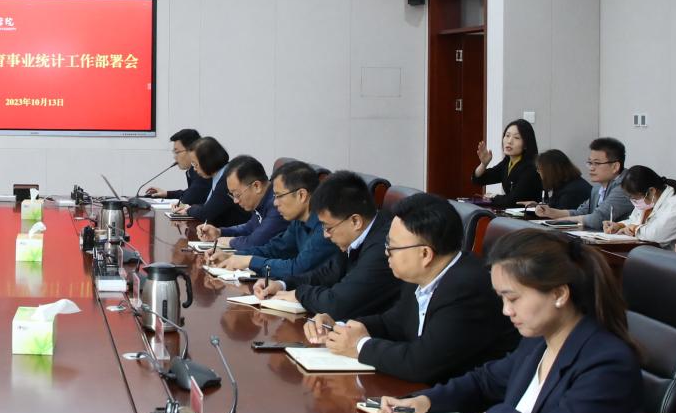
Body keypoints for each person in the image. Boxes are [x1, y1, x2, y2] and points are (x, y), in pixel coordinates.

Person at [379, 229, 646, 413]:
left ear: (559, 294)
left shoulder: (606, 363)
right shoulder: (538, 341)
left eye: (513, 298)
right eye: (502, 299)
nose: (506, 311)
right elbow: (484, 381)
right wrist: (424, 401)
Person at [304, 193, 516, 383]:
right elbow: (393, 323)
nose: (386, 253)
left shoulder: (467, 288)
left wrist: (359, 345)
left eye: (392, 246)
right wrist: (340, 328)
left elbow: (421, 364)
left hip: (467, 404)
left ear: (425, 254)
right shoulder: (422, 275)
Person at [261, 171, 398, 318]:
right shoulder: (357, 237)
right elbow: (328, 273)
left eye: (328, 227)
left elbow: (338, 303)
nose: (326, 235)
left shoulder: (384, 247)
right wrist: (283, 284)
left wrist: (299, 294)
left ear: (355, 221)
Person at [214, 161, 341, 283]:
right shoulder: (298, 221)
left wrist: (250, 261)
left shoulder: (325, 226)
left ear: (301, 195)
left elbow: (297, 269)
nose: (275, 203)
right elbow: (275, 249)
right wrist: (235, 256)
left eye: (279, 196)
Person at [537, 136, 633, 230]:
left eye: (597, 163)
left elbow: (597, 219)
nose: (591, 168)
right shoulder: (597, 187)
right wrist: (550, 212)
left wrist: (560, 221)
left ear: (615, 167)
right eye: (590, 163)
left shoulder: (625, 186)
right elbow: (581, 212)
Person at [195, 155, 285, 253]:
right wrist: (219, 232)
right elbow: (250, 227)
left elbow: (254, 242)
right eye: (232, 195)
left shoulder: (278, 204)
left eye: (237, 194)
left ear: (256, 186)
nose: (235, 201)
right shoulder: (262, 199)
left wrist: (229, 241)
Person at [606, 166, 676, 245]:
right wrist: (620, 225)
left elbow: (657, 234)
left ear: (651, 191)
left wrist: (634, 229)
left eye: (635, 198)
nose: (634, 202)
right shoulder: (649, 200)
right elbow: (635, 221)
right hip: (653, 250)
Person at [176, 136, 250, 228]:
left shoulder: (227, 179)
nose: (194, 169)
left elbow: (206, 213)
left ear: (207, 161)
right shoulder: (220, 174)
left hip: (236, 232)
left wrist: (189, 209)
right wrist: (188, 207)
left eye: (195, 164)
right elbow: (211, 205)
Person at [473, 119, 541, 203]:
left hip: (528, 211)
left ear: (526, 144)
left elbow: (513, 200)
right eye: (507, 135)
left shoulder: (531, 167)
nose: (509, 141)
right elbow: (478, 180)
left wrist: (493, 197)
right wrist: (483, 164)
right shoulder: (507, 162)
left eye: (516, 138)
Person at [143, 128, 210, 207]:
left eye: (177, 152)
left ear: (192, 150)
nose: (175, 157)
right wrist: (167, 193)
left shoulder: (204, 171)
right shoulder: (192, 171)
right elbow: (190, 192)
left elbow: (189, 198)